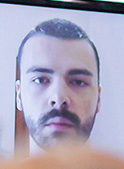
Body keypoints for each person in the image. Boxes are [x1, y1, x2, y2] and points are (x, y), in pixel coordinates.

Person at [16, 18, 101, 151]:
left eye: (78, 82)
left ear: (99, 98)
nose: (59, 98)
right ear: (19, 95)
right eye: (40, 80)